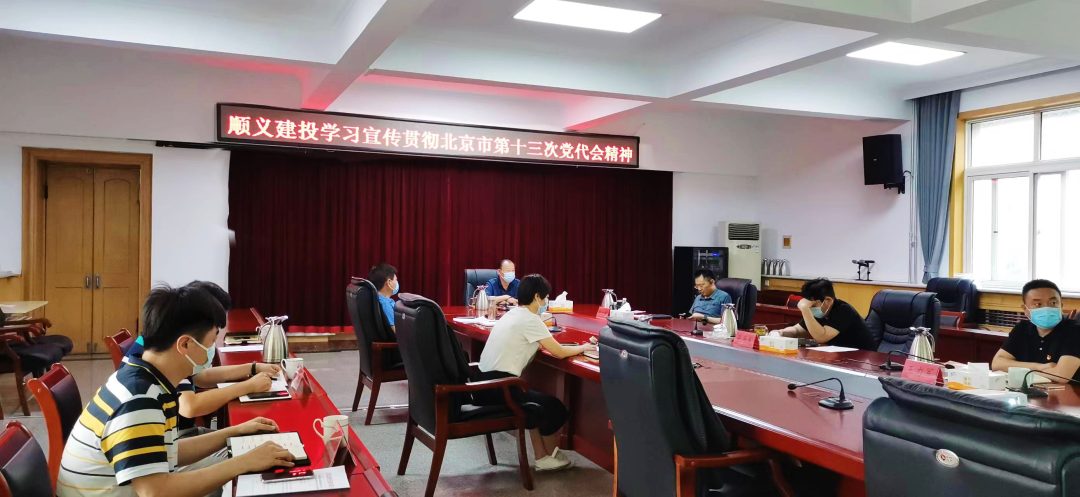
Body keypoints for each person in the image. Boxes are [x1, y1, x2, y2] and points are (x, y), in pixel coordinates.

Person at [58, 285, 295, 497]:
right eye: (211, 341)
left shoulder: (149, 379)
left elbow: (168, 451)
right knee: (244, 469)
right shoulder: (139, 399)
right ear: (185, 344)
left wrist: (236, 431)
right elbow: (157, 492)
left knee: (238, 455)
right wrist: (244, 462)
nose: (212, 351)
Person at [124, 281, 280, 438]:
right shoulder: (167, 362)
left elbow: (200, 377)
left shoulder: (157, 347)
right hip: (180, 434)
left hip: (175, 438)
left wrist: (252, 368)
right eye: (213, 336)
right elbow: (189, 406)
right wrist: (248, 386)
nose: (213, 344)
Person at [476, 274, 595, 472]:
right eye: (546, 297)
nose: (546, 302)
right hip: (500, 387)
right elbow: (560, 352)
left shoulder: (512, 314)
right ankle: (549, 456)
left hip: (484, 384)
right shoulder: (531, 320)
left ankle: (543, 457)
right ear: (537, 297)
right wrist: (583, 347)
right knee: (553, 408)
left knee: (536, 403)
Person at [992, 279, 1080, 383]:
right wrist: (1038, 367)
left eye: (1053, 303)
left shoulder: (1075, 330)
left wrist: (1017, 370)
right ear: (1025, 309)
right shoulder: (1022, 328)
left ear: (1061, 305)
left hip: (1068, 392)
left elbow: (1061, 376)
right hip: (1028, 390)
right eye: (1038, 304)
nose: (1047, 308)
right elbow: (997, 364)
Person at [773, 278, 876, 351]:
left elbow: (821, 337)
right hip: (841, 358)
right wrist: (780, 333)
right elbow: (797, 330)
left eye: (812, 304)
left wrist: (805, 309)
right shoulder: (821, 312)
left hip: (863, 359)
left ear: (828, 301)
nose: (810, 308)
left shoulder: (844, 311)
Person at [369, 263, 400, 331]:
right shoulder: (385, 305)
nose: (397, 282)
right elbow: (394, 331)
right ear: (389, 282)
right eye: (395, 280)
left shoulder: (375, 299)